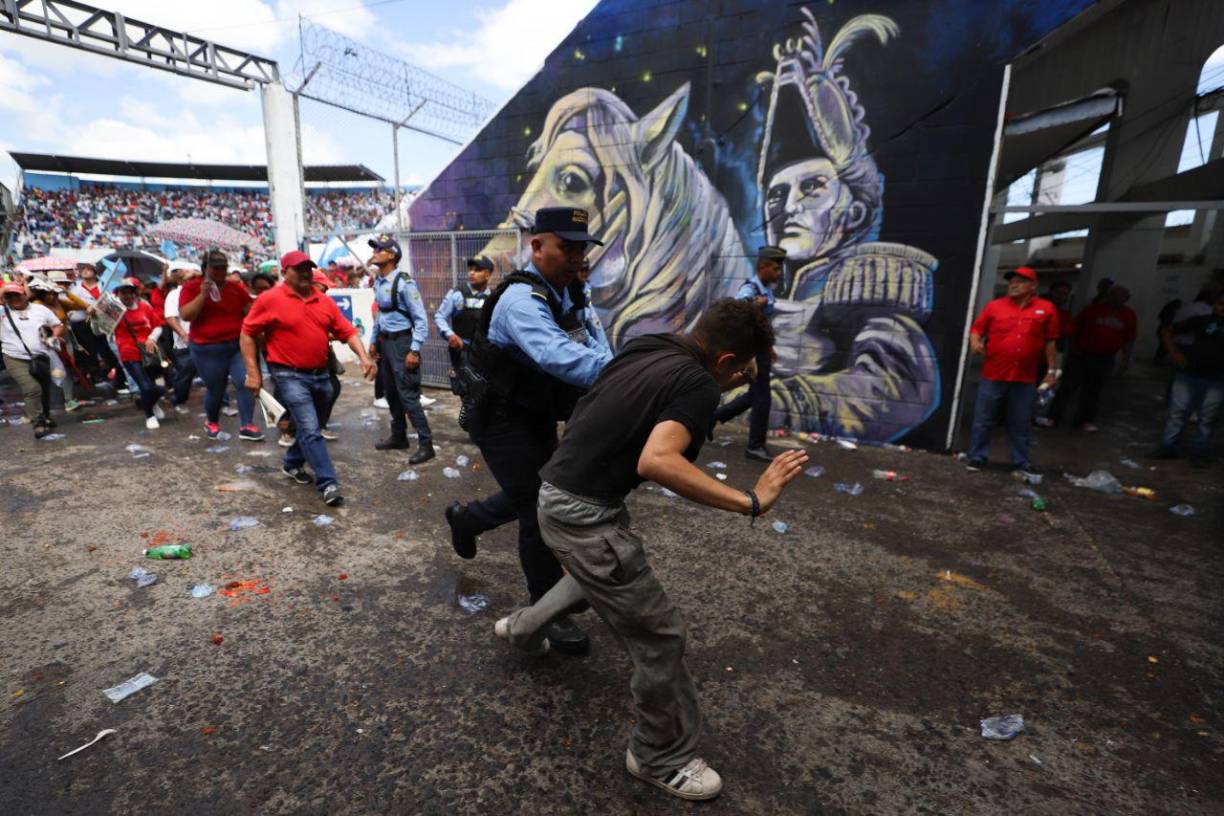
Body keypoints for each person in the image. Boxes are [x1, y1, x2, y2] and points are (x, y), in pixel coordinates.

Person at [491, 298, 808, 801]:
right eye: (743, 369)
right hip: (583, 513)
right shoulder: (700, 384)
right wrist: (751, 500)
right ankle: (658, 755)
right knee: (660, 636)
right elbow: (658, 460)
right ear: (725, 361)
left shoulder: (650, 344)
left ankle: (523, 627)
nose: (744, 378)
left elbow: (594, 407)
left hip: (557, 490)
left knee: (594, 577)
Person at [444, 207, 614, 655]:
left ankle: (468, 518)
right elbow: (558, 355)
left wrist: (619, 370)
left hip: (534, 412)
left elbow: (594, 343)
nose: (577, 257)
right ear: (537, 246)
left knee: (538, 492)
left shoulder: (572, 291)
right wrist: (631, 373)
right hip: (499, 419)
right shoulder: (522, 299)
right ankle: (545, 611)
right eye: (567, 247)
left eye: (582, 247)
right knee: (539, 511)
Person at [241, 251, 376, 506]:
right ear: (284, 273)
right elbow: (247, 333)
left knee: (312, 425)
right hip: (289, 375)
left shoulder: (323, 301)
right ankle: (328, 483)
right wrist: (252, 372)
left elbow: (347, 331)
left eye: (308, 268)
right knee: (311, 429)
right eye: (298, 268)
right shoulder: (269, 300)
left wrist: (364, 357)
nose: (305, 273)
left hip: (321, 375)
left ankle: (292, 462)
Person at [965, 266, 1059, 472]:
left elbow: (1050, 342)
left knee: (1020, 421)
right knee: (984, 419)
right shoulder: (994, 307)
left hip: (1025, 377)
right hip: (993, 373)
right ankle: (977, 456)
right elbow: (977, 328)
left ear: (1033, 286)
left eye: (1020, 281)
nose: (1013, 284)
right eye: (1011, 281)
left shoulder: (1047, 309)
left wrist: (1051, 372)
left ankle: (1020, 461)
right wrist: (975, 341)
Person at [178, 248, 264, 441]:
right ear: (206, 269)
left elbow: (250, 311)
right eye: (216, 267)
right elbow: (186, 315)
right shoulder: (192, 287)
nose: (221, 271)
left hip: (235, 345)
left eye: (224, 267)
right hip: (207, 349)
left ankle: (247, 425)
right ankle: (211, 420)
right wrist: (203, 295)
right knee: (216, 388)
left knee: (244, 382)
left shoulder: (235, 288)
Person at [711, 246, 787, 461]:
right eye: (775, 268)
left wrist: (769, 346)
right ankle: (755, 446)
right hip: (753, 353)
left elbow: (761, 324)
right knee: (763, 398)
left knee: (755, 394)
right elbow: (738, 314)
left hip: (760, 350)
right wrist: (754, 305)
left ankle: (715, 417)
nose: (779, 273)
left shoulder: (765, 289)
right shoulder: (751, 289)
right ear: (762, 267)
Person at [368, 234, 435, 464]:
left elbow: (421, 320)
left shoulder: (404, 283)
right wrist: (373, 341)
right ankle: (399, 436)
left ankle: (426, 444)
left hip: (402, 344)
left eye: (380, 249)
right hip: (386, 344)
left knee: (408, 395)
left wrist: (414, 350)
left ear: (392, 255)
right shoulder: (379, 282)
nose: (375, 252)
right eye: (375, 248)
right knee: (391, 393)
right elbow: (380, 316)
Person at [1048, 284, 1136, 432]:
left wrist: (1126, 359)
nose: (1117, 299)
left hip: (1105, 357)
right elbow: (1075, 328)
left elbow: (1129, 338)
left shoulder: (1129, 315)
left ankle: (1084, 420)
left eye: (1121, 296)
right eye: (1114, 295)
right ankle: (1053, 417)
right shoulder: (1093, 310)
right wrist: (1074, 348)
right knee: (1068, 387)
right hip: (1082, 354)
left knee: (1093, 390)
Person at [1152, 291, 1224, 466]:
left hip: (1216, 378)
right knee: (1178, 412)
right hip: (1188, 373)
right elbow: (1168, 331)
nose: (1222, 308)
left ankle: (1198, 452)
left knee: (1207, 417)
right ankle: (1168, 447)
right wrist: (1174, 353)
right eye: (1220, 303)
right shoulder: (1202, 320)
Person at [1, 281, 63, 438]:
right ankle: (38, 423)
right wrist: (3, 296)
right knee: (32, 388)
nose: (14, 299)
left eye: (16, 295)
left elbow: (57, 324)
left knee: (44, 389)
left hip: (41, 356)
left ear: (24, 295)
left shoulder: (40, 309)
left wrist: (53, 337)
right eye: (9, 296)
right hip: (15, 357)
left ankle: (46, 416)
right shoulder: (2, 312)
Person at [113, 277, 168, 430]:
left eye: (130, 292)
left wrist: (152, 338)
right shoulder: (114, 311)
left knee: (154, 383)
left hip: (149, 352)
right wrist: (95, 317)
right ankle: (149, 414)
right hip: (128, 353)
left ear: (135, 293)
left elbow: (157, 326)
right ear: (118, 295)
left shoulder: (145, 307)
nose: (127, 296)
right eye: (123, 293)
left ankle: (153, 403)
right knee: (145, 387)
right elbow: (100, 331)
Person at [434, 256, 494, 394]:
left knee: (486, 392)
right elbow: (440, 316)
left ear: (488, 274)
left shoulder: (493, 296)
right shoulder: (457, 294)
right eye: (470, 269)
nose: (472, 273)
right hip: (463, 352)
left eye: (477, 270)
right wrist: (450, 335)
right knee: (467, 393)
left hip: (485, 352)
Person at [163, 265, 200, 411]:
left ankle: (223, 403)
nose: (192, 281)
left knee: (214, 373)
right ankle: (179, 400)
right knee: (185, 376)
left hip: (206, 341)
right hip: (186, 343)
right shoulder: (174, 295)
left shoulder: (201, 292)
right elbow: (170, 317)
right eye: (189, 279)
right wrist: (183, 334)